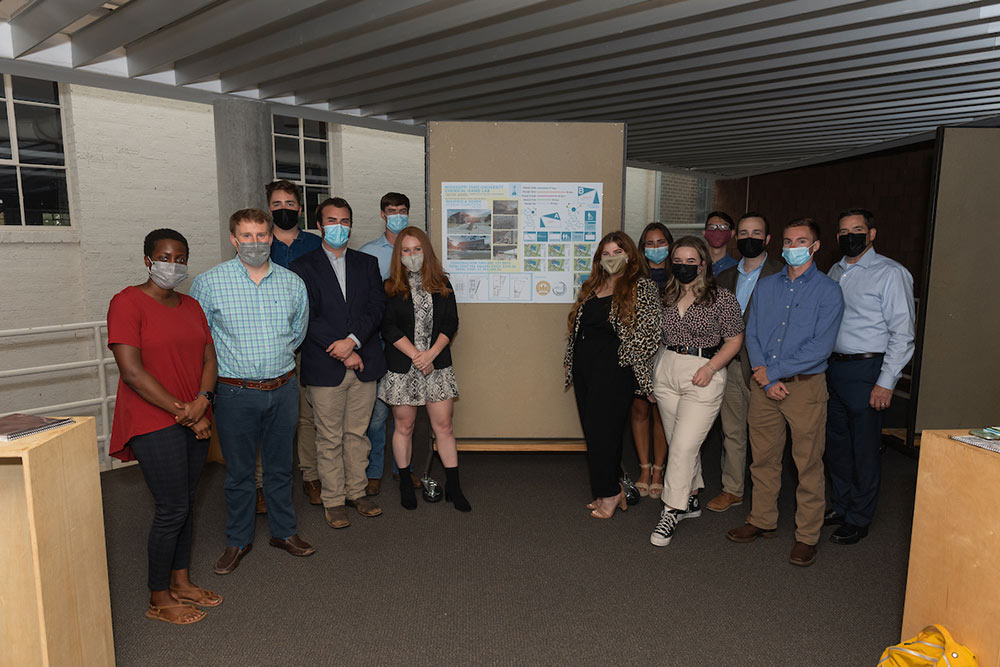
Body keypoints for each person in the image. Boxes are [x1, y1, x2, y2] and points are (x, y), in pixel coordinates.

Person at [191, 208, 315, 576]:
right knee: (240, 474)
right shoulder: (209, 283)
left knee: (280, 469)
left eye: (262, 236)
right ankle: (238, 539)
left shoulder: (292, 283)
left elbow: (298, 334)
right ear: (234, 239)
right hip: (234, 393)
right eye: (247, 236)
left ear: (271, 237)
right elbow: (203, 342)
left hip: (282, 389)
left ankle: (284, 532)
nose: (255, 243)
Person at [107, 228, 221, 625]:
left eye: (180, 258)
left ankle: (181, 580)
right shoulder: (127, 302)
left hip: (194, 414)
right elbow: (132, 373)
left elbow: (209, 359)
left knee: (186, 502)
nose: (173, 265)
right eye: (165, 257)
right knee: (171, 508)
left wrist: (202, 402)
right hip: (153, 419)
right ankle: (158, 596)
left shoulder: (191, 306)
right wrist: (187, 413)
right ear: (148, 260)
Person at [727, 218, 844, 568]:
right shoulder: (766, 286)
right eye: (789, 241)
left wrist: (774, 372)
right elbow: (753, 334)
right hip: (764, 387)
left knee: (807, 464)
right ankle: (762, 520)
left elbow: (820, 347)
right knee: (763, 459)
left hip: (805, 388)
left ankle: (807, 536)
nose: (792, 247)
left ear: (815, 246)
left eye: (801, 241)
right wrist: (765, 378)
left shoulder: (828, 291)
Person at [291, 197, 386, 529]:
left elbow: (376, 308)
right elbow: (307, 316)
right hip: (323, 363)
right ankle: (333, 499)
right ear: (318, 226)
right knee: (329, 436)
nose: (339, 227)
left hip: (364, 361)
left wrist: (354, 342)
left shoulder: (367, 263)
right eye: (331, 221)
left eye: (344, 221)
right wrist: (343, 348)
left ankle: (356, 492)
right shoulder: (302, 267)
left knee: (357, 434)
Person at [825, 208, 915, 545]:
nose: (850, 236)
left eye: (858, 230)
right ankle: (841, 504)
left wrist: (886, 382)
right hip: (832, 369)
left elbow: (903, 334)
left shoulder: (890, 273)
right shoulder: (834, 271)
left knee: (864, 449)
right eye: (844, 231)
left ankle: (860, 517)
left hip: (867, 372)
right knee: (837, 445)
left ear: (872, 234)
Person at [648, 236, 744, 546]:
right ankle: (689, 498)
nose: (684, 266)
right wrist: (652, 376)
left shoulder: (722, 298)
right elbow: (656, 340)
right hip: (666, 370)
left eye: (692, 261)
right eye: (679, 260)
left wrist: (711, 367)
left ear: (703, 263)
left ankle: (670, 509)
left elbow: (734, 340)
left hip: (703, 372)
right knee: (678, 440)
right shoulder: (664, 295)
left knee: (684, 446)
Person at [564, 231, 663, 519]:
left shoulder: (641, 287)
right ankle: (605, 488)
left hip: (614, 373)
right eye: (605, 254)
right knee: (594, 434)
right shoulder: (593, 285)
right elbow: (580, 330)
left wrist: (623, 360)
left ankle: (610, 494)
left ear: (630, 255)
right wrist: (572, 361)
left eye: (617, 252)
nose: (611, 258)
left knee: (605, 434)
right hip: (585, 372)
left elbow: (650, 333)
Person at [379, 227, 469, 511]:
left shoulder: (442, 283)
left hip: (437, 366)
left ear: (426, 251)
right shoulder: (389, 287)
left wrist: (431, 354)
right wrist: (417, 355)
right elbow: (388, 326)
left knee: (444, 427)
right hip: (404, 367)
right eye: (405, 250)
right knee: (403, 427)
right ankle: (406, 482)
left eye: (417, 249)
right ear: (398, 255)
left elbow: (451, 323)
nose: (412, 255)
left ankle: (454, 485)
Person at [706, 213, 784, 513]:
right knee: (732, 432)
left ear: (767, 239)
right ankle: (732, 489)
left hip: (764, 368)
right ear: (736, 237)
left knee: (765, 437)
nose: (749, 238)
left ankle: (765, 498)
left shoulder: (781, 274)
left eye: (756, 233)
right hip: (730, 365)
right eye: (744, 232)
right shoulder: (725, 277)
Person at [264, 179, 323, 511]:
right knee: (268, 417)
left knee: (306, 416)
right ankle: (265, 484)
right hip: (267, 343)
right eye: (276, 204)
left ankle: (310, 475)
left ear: (300, 208)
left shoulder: (314, 245)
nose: (283, 209)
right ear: (268, 208)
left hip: (307, 342)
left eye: (289, 204)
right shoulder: (259, 244)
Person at [359, 192, 413, 496]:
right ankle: (374, 472)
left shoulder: (418, 248)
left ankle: (403, 469)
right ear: (383, 214)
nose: (397, 215)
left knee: (408, 411)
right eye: (392, 211)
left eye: (402, 211)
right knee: (378, 413)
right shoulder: (368, 253)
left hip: (411, 345)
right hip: (378, 342)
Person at [631, 222, 674, 498]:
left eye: (661, 242)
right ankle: (644, 468)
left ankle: (659, 469)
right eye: (650, 243)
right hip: (640, 354)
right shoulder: (632, 277)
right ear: (642, 248)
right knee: (640, 411)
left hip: (669, 354)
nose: (656, 248)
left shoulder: (680, 275)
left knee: (663, 413)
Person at [703, 211, 738, 276]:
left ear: (732, 233)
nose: (717, 231)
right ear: (704, 233)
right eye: (712, 227)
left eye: (723, 227)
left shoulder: (737, 268)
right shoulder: (697, 265)